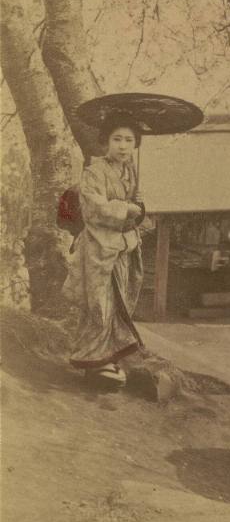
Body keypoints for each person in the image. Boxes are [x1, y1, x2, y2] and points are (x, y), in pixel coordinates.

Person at [66, 111, 146, 385]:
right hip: (99, 247)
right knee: (99, 303)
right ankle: (92, 360)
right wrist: (129, 209)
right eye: (117, 139)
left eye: (129, 140)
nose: (123, 146)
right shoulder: (94, 172)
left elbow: (137, 201)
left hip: (122, 248)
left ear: (135, 144)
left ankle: (108, 357)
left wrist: (139, 205)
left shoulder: (130, 170)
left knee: (119, 302)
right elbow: (94, 208)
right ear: (105, 142)